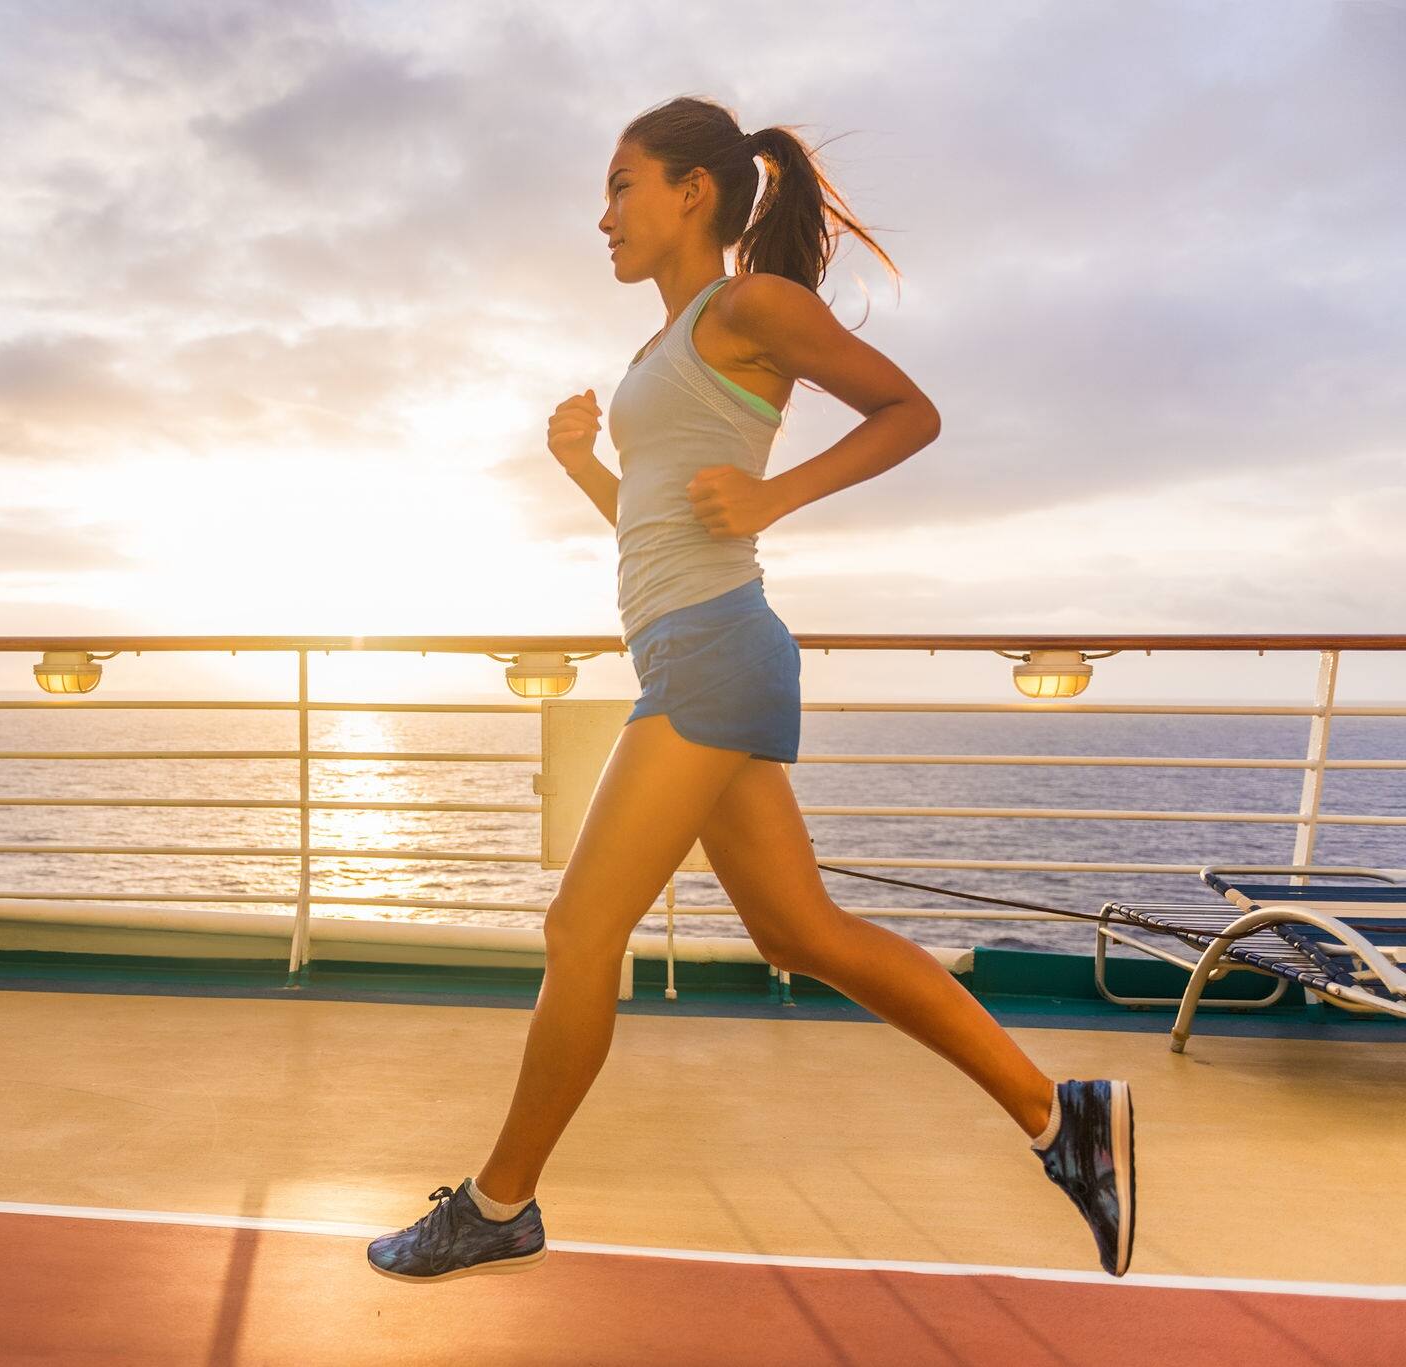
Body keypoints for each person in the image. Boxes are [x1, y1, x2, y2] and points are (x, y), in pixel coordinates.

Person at [367, 96, 1135, 1285]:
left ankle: (496, 1202)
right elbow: (657, 523)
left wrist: (778, 498)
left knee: (579, 927)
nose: (603, 215)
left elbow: (909, 412)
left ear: (693, 191)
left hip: (713, 650)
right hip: (685, 646)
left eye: (622, 185)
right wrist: (585, 467)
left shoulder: (751, 307)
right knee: (799, 930)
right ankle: (1059, 1113)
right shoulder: (659, 347)